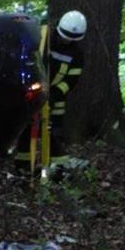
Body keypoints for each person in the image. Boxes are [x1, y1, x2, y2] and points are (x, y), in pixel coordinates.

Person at [15, 10, 87, 174]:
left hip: (56, 100)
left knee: (51, 132)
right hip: (33, 92)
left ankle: (57, 168)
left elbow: (72, 80)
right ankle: (24, 165)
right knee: (27, 128)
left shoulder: (77, 54)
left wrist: (55, 93)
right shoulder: (44, 38)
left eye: (72, 39)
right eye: (65, 36)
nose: (67, 40)